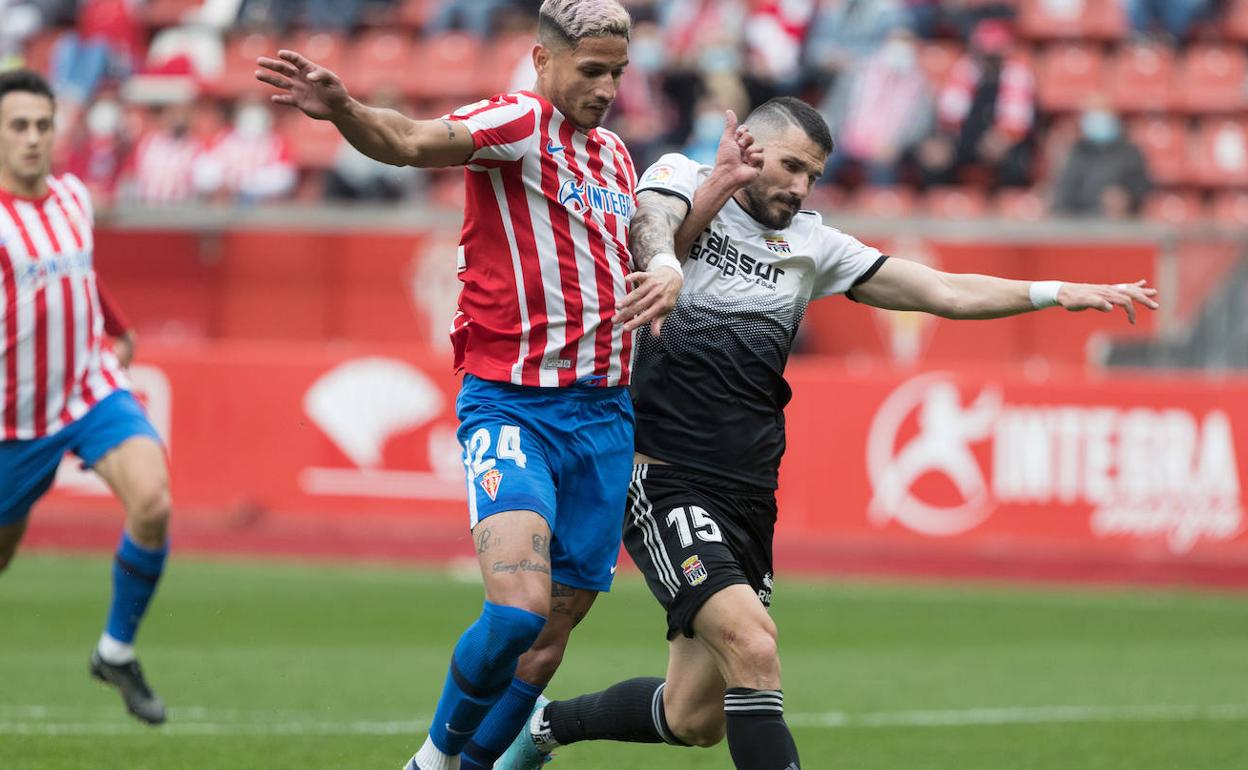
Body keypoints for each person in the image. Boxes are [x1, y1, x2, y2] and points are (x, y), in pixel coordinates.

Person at [498, 96, 1159, 769]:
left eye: (812, 175)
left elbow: (943, 291)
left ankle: (543, 730)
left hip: (749, 491)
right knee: (755, 647)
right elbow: (654, 233)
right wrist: (689, 230)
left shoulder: (813, 246)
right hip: (662, 473)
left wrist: (1050, 291)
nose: (798, 186)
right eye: (788, 166)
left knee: (693, 716)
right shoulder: (683, 179)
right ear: (749, 145)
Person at [256, 2, 684, 769]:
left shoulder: (615, 156)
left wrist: (668, 254)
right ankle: (430, 759)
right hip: (514, 403)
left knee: (548, 646)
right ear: (543, 61)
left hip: (605, 419)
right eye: (591, 71)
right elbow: (416, 141)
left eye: (617, 72)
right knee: (518, 612)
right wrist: (346, 109)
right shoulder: (517, 121)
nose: (607, 87)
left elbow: (643, 234)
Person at [0, 68, 172, 726]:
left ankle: (115, 650)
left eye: (43, 125)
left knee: (152, 502)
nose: (34, 139)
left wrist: (118, 328)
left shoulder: (73, 196)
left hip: (89, 389)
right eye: (19, 126)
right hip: (12, 417)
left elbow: (82, 277)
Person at [1052, 98, 1151, 219]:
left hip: (1120, 225)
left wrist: (1126, 199)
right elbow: (1065, 193)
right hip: (1084, 225)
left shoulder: (1129, 152)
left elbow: (1142, 187)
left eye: (1102, 113)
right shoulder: (1078, 152)